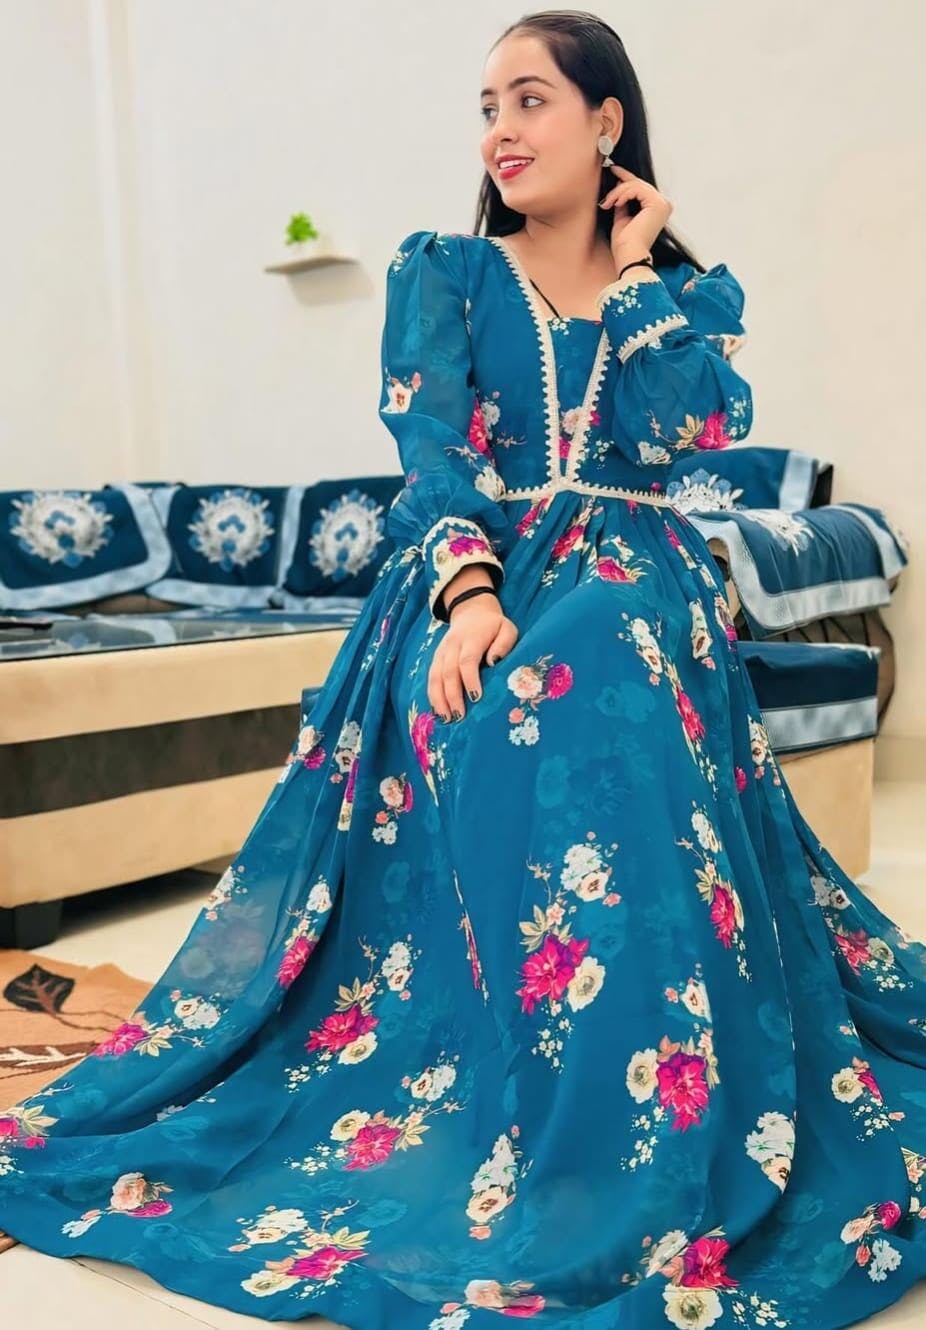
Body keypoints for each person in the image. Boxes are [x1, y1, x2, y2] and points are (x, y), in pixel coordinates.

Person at [1, 11, 925, 1329]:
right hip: (475, 578)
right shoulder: (445, 272)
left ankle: (636, 1103)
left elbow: (698, 432)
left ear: (606, 121)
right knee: (517, 687)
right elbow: (432, 453)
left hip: (636, 581)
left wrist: (637, 268)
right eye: (487, 104)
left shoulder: (679, 292)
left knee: (602, 651)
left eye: (531, 98)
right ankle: (542, 1091)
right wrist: (469, 594)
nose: (500, 128)